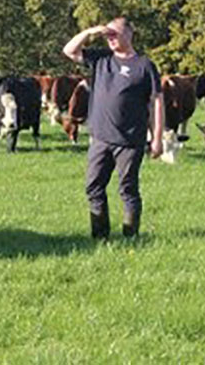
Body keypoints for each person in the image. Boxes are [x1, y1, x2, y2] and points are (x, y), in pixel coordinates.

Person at [62, 17, 164, 239]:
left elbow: (156, 101)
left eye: (114, 34)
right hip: (100, 137)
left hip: (130, 140)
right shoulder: (101, 59)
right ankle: (100, 236)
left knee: (128, 189)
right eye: (107, 35)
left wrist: (157, 138)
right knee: (93, 187)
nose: (110, 38)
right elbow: (69, 50)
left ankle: (130, 235)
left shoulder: (145, 65)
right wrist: (91, 32)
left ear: (129, 34)